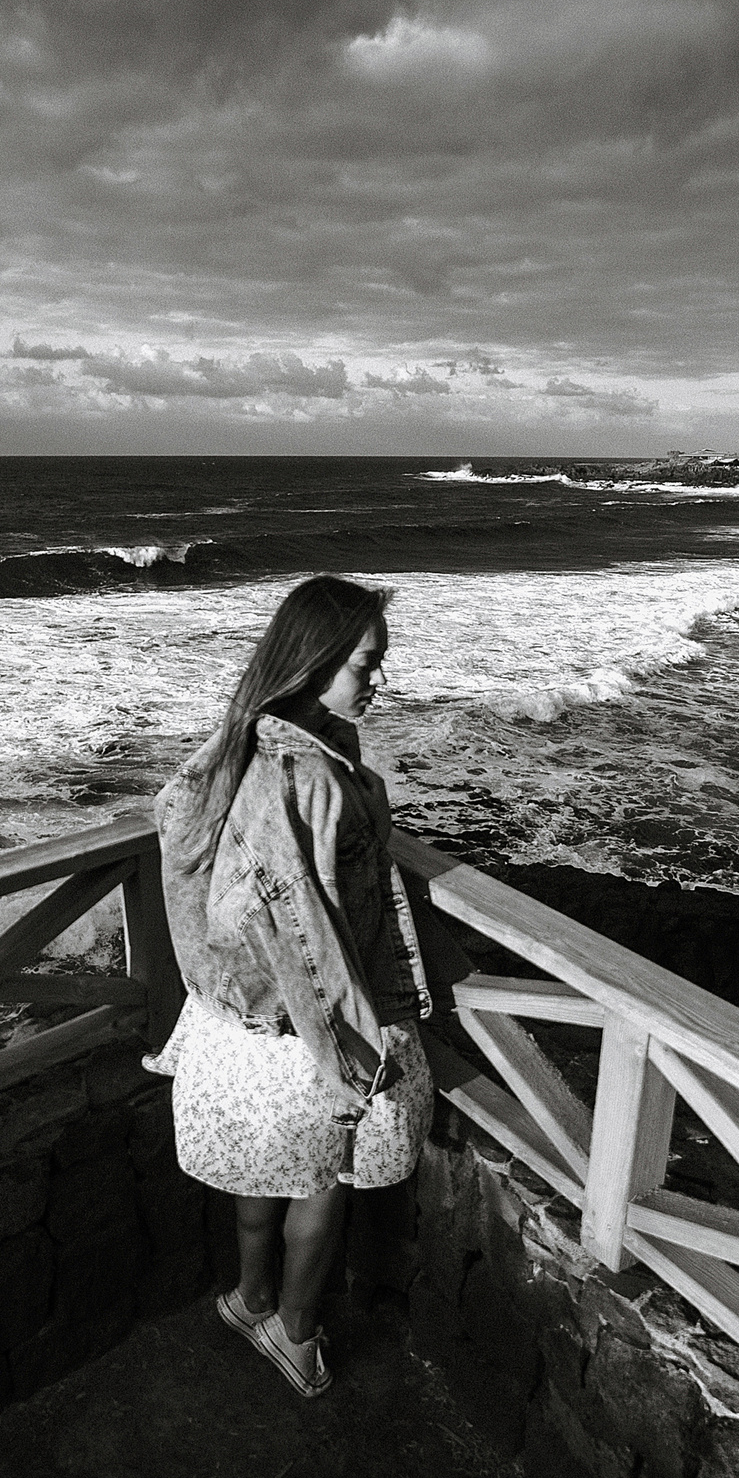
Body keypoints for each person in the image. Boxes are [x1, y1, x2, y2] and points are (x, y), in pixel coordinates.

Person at [143, 575, 435, 1398]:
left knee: (261, 1175)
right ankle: (295, 1333)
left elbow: (208, 886)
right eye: (366, 664)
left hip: (238, 1021)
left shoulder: (234, 745)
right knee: (323, 1184)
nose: (378, 679)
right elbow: (305, 925)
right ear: (314, 662)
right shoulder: (305, 773)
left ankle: (250, 1297)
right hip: (308, 1023)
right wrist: (346, 1055)